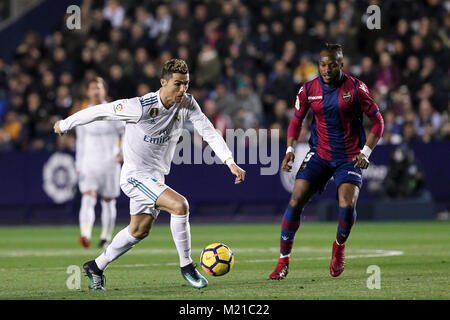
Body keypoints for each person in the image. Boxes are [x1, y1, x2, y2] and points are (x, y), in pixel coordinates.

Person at [54, 59, 246, 290]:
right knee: (180, 205)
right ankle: (187, 266)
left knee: (139, 230)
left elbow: (209, 131)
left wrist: (229, 161)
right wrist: (65, 124)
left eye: (186, 84)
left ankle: (96, 266)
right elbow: (100, 111)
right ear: (163, 82)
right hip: (134, 176)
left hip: (155, 177)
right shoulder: (140, 107)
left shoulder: (187, 103)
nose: (182, 89)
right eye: (177, 84)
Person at [269, 43, 384, 279]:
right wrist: (290, 147)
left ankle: (339, 247)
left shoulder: (356, 88)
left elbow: (378, 123)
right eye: (323, 65)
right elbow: (296, 121)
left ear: (341, 65)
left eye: (332, 65)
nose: (327, 69)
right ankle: (283, 261)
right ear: (318, 65)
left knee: (347, 203)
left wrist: (366, 152)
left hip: (349, 157)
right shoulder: (308, 89)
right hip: (319, 154)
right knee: (296, 198)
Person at [76, 77, 124, 249]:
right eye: (92, 88)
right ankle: (85, 234)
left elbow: (125, 132)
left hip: (110, 162)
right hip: (89, 162)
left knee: (108, 200)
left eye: (99, 88)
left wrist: (123, 150)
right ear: (87, 92)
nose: (96, 91)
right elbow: (80, 142)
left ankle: (105, 237)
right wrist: (78, 166)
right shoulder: (82, 113)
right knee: (88, 197)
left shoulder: (114, 111)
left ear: (104, 90)